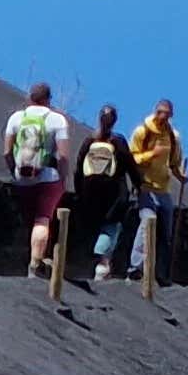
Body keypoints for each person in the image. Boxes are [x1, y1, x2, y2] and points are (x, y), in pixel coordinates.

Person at [2, 84, 75, 278]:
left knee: (29, 219)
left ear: (30, 97)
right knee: (42, 219)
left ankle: (32, 259)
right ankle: (35, 264)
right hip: (47, 178)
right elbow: (63, 156)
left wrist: (14, 172)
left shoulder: (16, 118)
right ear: (48, 99)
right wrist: (62, 180)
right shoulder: (57, 120)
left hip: (22, 177)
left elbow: (7, 152)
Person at [67, 105, 134, 280]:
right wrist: (138, 187)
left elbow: (78, 168)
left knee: (93, 226)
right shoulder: (118, 141)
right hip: (114, 195)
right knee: (110, 228)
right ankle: (103, 266)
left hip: (90, 194)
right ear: (115, 121)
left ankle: (85, 264)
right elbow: (130, 166)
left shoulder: (90, 140)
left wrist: (80, 191)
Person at [127, 97, 188, 273]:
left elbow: (173, 162)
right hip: (145, 187)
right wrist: (151, 155)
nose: (163, 118)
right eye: (160, 113)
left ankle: (161, 271)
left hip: (163, 189)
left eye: (167, 115)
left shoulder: (172, 136)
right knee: (147, 223)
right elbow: (132, 159)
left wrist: (181, 176)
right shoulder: (142, 132)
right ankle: (136, 268)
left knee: (166, 231)